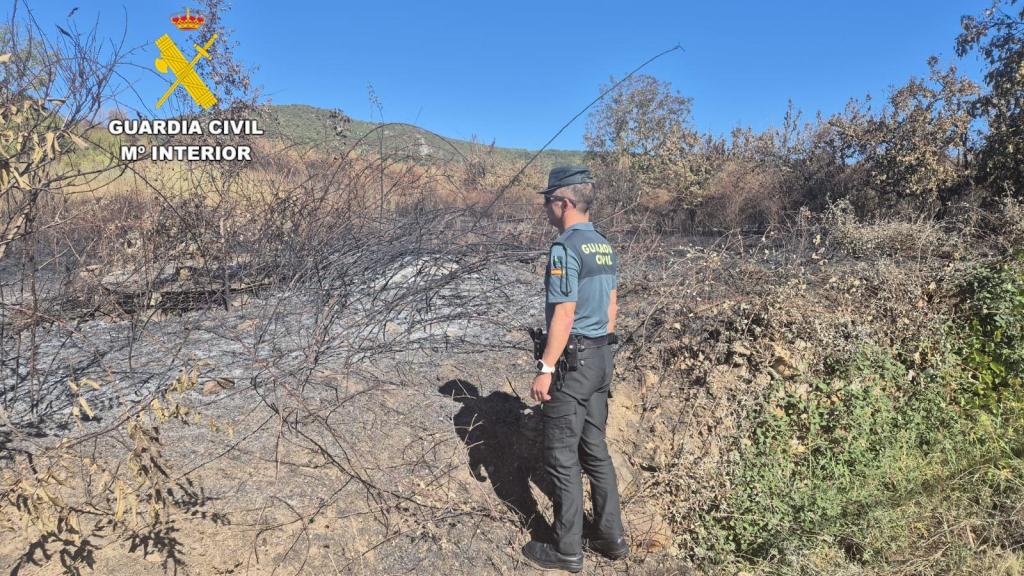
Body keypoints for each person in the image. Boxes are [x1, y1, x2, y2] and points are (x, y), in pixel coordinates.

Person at [522, 165, 628, 573]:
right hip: (601, 358)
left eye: (548, 201)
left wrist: (547, 367)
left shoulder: (564, 248)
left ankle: (567, 549)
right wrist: (601, 351)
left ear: (564, 203)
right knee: (595, 451)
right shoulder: (603, 244)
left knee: (561, 456)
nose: (546, 208)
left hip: (574, 362)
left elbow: (564, 313)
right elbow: (611, 305)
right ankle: (610, 538)